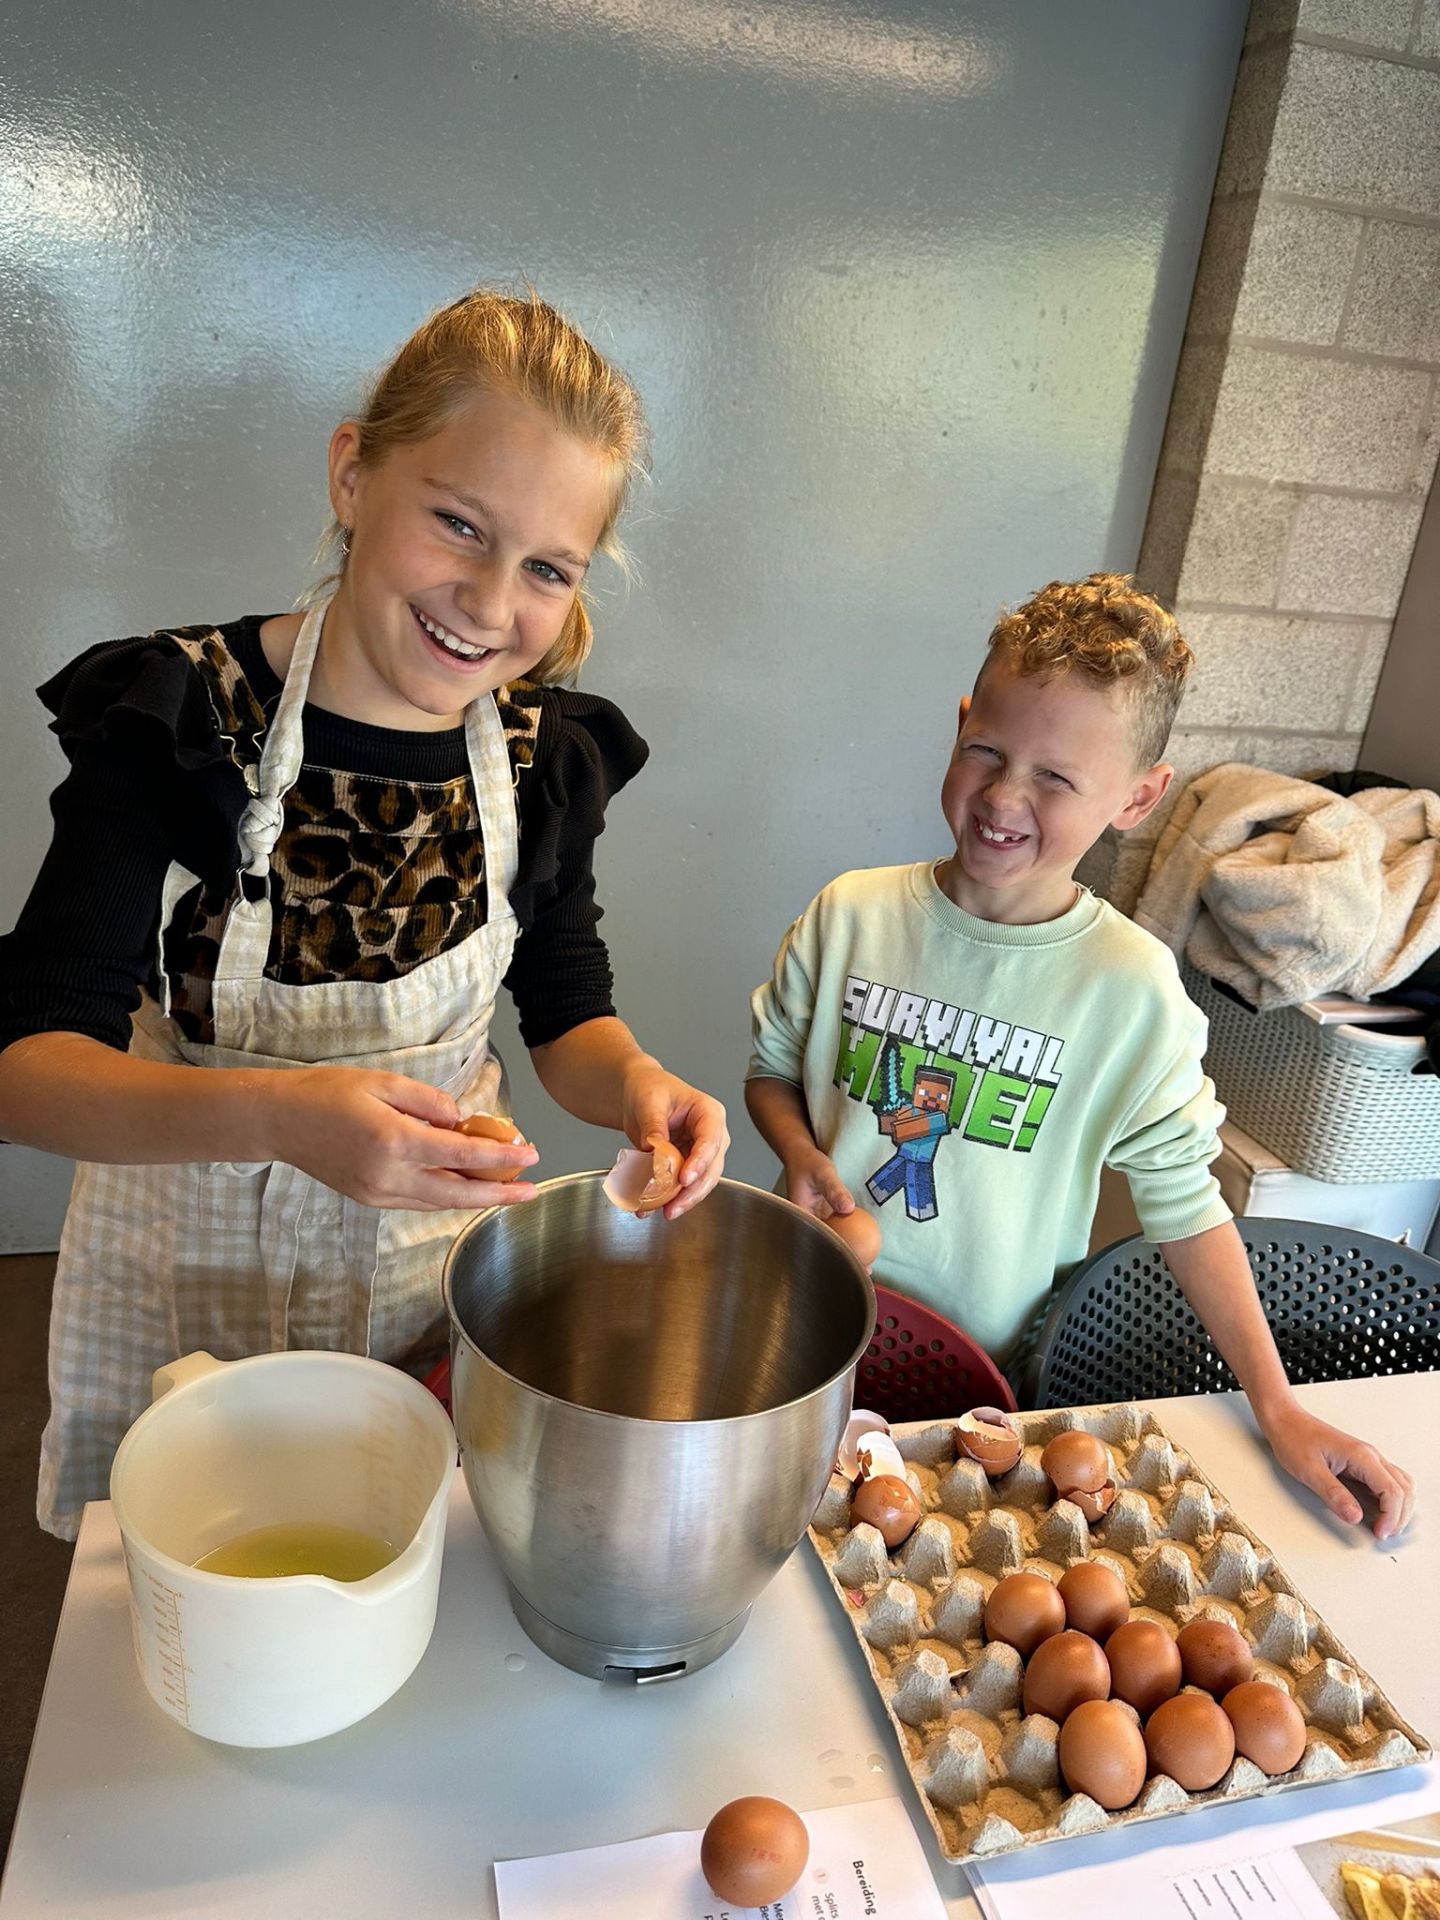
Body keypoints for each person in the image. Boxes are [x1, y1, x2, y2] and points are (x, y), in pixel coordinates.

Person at [0, 289, 729, 1540]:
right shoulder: (179, 717)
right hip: (187, 1274)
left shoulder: (542, 760)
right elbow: (27, 1073)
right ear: (353, 475)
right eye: (459, 524)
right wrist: (283, 1120)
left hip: (419, 1284)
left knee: (398, 1558)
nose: (489, 603)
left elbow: (565, 1012)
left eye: (546, 569)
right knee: (195, 1582)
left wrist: (639, 1087)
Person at [746, 573, 1415, 1541]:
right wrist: (803, 1156)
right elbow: (773, 1072)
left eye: (1056, 779)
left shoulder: (1130, 991)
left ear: (1139, 797)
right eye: (986, 750)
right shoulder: (850, 913)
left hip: (977, 1391)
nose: (1004, 796)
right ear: (961, 724)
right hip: (796, 1333)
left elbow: (1188, 1209)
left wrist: (1277, 1406)